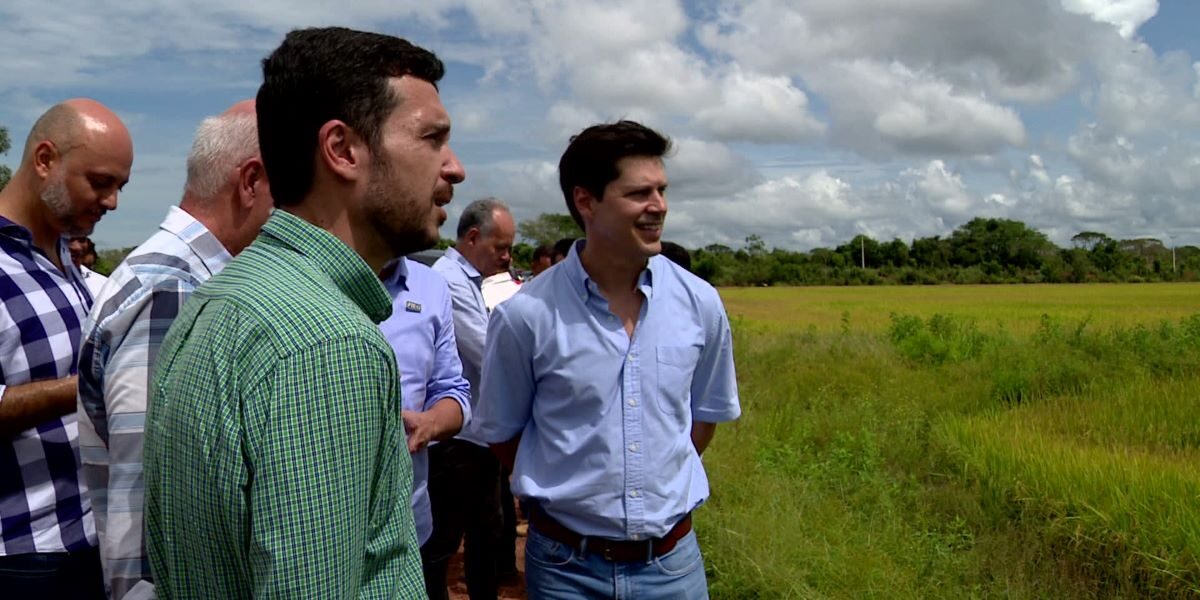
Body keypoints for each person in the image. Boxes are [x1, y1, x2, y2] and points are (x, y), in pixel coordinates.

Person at [143, 27, 465, 598]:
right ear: (342, 150)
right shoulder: (328, 343)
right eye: (432, 138)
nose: (454, 167)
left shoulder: (226, 296)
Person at [476, 120, 741, 598]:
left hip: (672, 567)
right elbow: (503, 434)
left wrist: (652, 480)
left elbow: (702, 420)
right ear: (586, 201)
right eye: (639, 193)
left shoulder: (700, 303)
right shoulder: (526, 316)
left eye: (661, 190)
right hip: (565, 570)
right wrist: (575, 489)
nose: (658, 206)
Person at [76, 100, 273, 600]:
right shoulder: (176, 291)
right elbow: (148, 514)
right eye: (293, 193)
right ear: (250, 182)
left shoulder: (184, 281)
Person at [0, 99, 133, 598]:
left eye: (121, 187)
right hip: (19, 555)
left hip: (86, 542)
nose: (113, 202)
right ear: (44, 160)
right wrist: (92, 386)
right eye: (100, 182)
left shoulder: (63, 256)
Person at [428, 197, 515, 599]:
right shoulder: (449, 280)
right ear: (473, 238)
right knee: (447, 540)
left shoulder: (476, 281)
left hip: (479, 434)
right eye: (500, 247)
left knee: (485, 534)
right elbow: (488, 352)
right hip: (459, 438)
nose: (507, 257)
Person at [377, 255, 471, 599]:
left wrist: (431, 423)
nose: (440, 208)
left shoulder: (430, 286)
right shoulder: (307, 276)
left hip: (409, 525)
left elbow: (452, 389)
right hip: (323, 531)